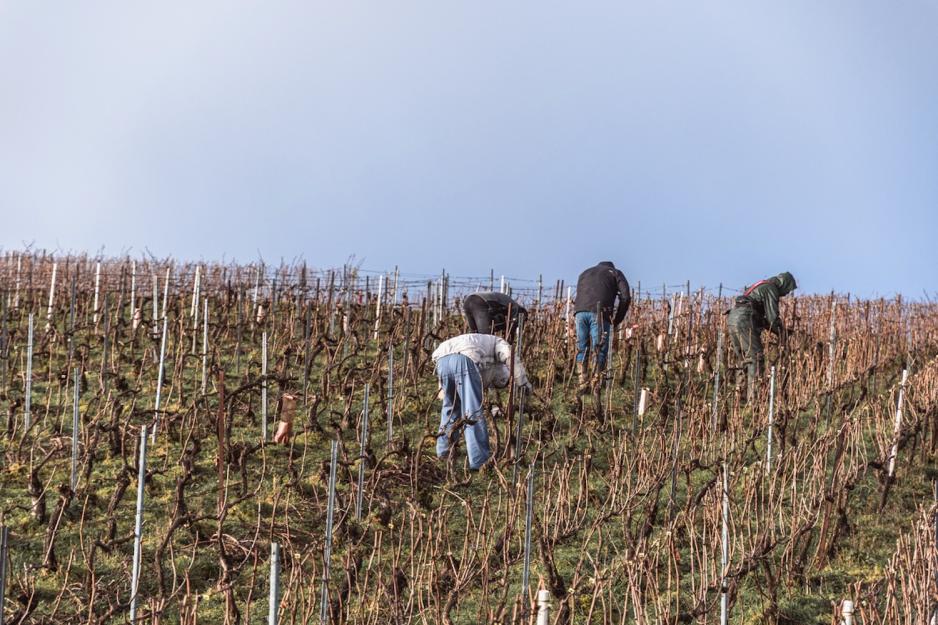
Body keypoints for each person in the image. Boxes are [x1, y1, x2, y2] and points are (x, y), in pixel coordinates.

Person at [431, 333, 531, 470]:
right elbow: (510, 357)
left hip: (441, 359)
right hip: (465, 358)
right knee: (473, 411)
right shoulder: (499, 342)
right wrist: (523, 383)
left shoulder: (483, 346)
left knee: (450, 407)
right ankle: (479, 461)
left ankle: (443, 450)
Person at [726, 272, 797, 399]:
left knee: (743, 358)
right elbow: (772, 318)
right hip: (745, 320)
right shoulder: (771, 289)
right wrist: (782, 332)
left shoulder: (759, 286)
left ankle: (740, 395)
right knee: (755, 358)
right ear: (784, 284)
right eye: (787, 290)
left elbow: (760, 315)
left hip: (732, 318)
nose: (786, 294)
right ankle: (754, 399)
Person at [573, 261, 631, 398]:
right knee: (599, 348)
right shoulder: (615, 273)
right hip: (600, 313)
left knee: (582, 347)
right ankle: (596, 383)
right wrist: (616, 320)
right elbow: (626, 297)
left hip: (579, 312)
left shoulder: (585, 272)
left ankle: (582, 383)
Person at [462, 292, 527, 338]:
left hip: (468, 301)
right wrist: (510, 337)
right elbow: (512, 325)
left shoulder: (506, 305)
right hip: (480, 301)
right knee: (486, 337)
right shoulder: (517, 309)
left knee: (474, 336)